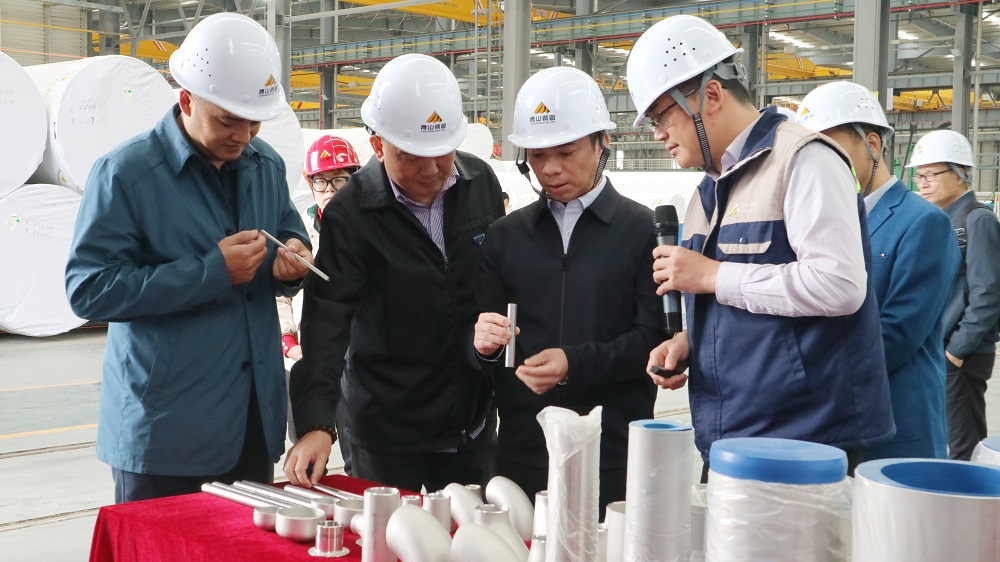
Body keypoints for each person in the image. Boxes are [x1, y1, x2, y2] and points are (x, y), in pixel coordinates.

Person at [627, 15, 895, 476]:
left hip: (804, 444)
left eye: (662, 116)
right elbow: (747, 309)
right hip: (732, 437)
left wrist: (712, 275)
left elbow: (840, 285)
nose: (658, 133)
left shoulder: (804, 160)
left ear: (711, 95)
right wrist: (691, 342)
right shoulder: (707, 192)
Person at [65, 12, 312, 503]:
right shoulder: (127, 174)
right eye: (228, 120)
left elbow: (287, 232)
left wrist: (292, 261)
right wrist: (210, 272)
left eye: (254, 121)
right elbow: (89, 289)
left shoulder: (265, 166)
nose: (243, 135)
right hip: (166, 432)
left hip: (251, 423)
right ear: (186, 100)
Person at [283, 54, 506, 492]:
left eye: (441, 153)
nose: (430, 170)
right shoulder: (351, 214)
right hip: (385, 434)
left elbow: (502, 283)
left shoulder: (480, 183)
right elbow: (327, 325)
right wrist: (317, 424)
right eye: (412, 156)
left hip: (470, 422)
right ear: (378, 145)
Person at [472, 66, 663, 515]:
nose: (551, 168)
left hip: (613, 456)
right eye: (537, 155)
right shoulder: (505, 236)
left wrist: (573, 364)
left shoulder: (643, 231)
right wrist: (481, 346)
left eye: (566, 151)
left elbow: (652, 342)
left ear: (602, 142)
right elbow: (482, 345)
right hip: (523, 454)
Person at [797, 81, 960, 460]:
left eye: (833, 151)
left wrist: (805, 372)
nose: (822, 167)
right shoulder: (823, 223)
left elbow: (897, 334)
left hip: (895, 423)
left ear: (872, 144)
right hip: (832, 424)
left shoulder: (923, 222)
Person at [906, 130, 1000, 460]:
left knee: (963, 445)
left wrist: (956, 351)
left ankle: (972, 494)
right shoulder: (941, 220)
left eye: (931, 174)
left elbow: (988, 294)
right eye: (919, 176)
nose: (923, 183)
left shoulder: (977, 219)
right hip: (940, 349)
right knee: (944, 441)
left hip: (962, 354)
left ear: (960, 173)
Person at [277, 135, 360, 471]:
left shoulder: (370, 228)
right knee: (307, 456)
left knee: (359, 455)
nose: (329, 189)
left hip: (355, 359)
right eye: (321, 181)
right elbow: (280, 293)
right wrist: (288, 340)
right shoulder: (296, 230)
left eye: (339, 179)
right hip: (303, 357)